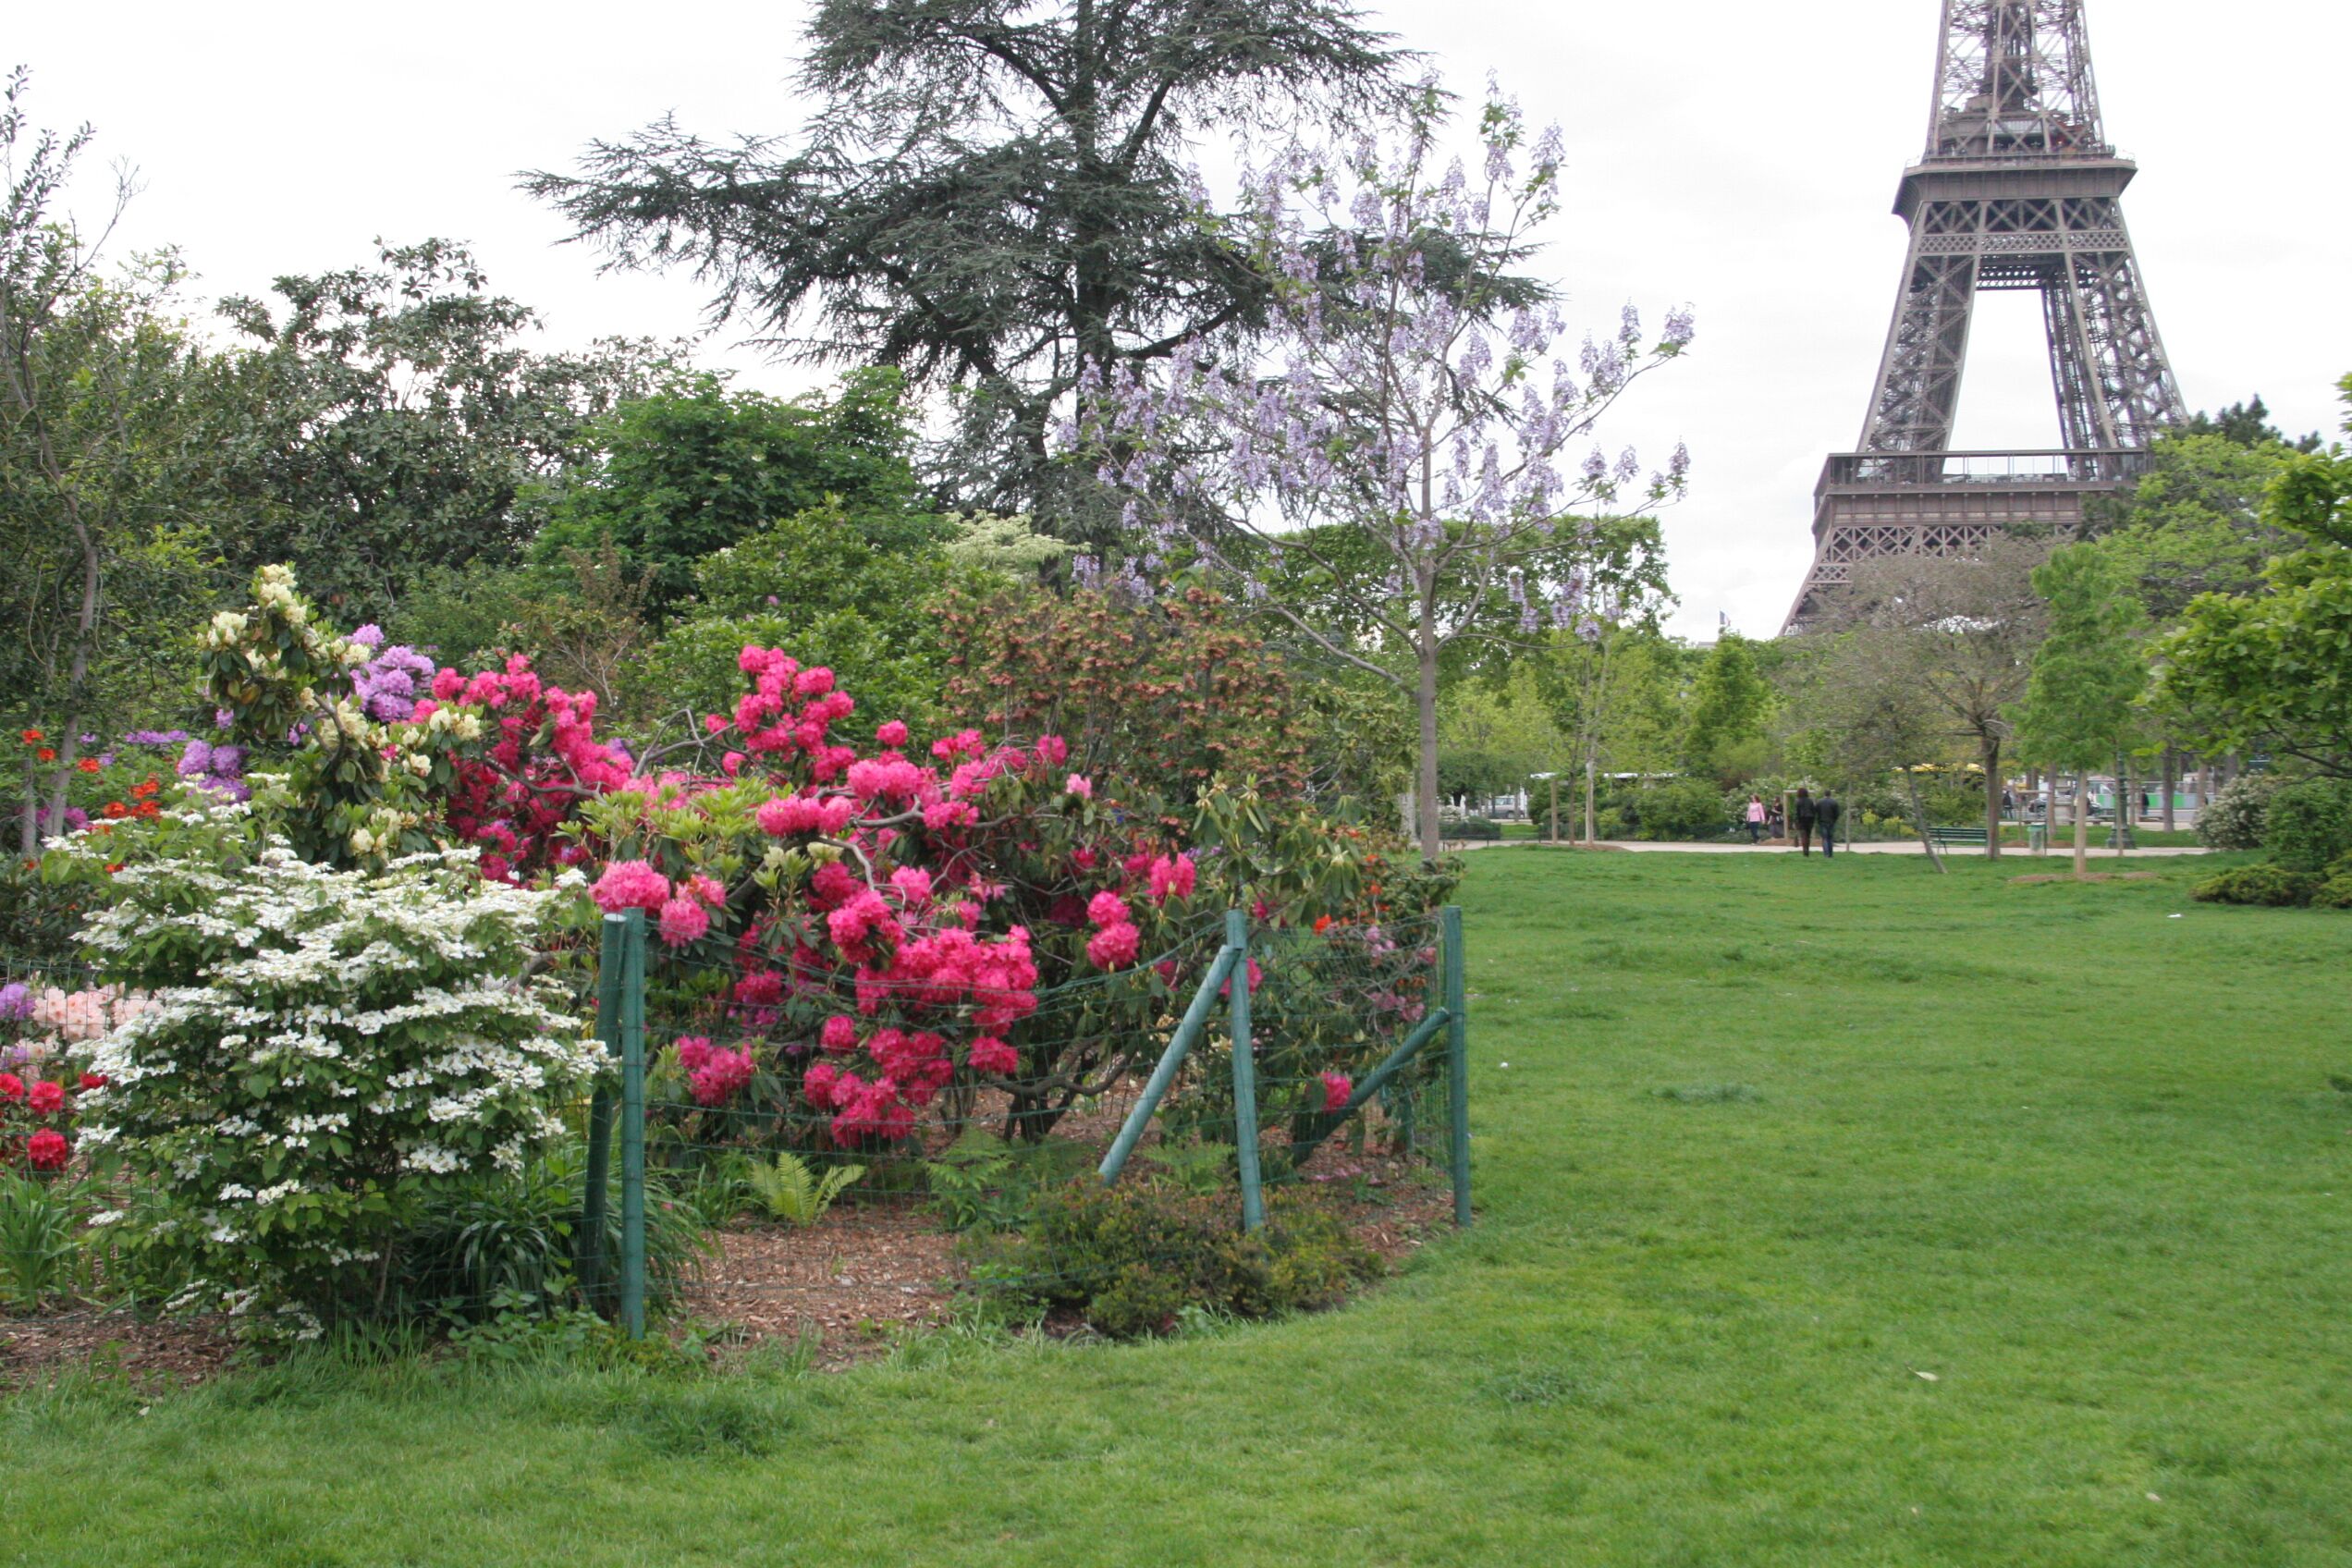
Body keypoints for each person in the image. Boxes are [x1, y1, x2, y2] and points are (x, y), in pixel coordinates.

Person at [1814, 790, 1843, 858]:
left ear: (1824, 794)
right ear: (1830, 794)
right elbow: (1837, 813)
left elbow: (1816, 811)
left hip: (1823, 822)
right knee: (1830, 838)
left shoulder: (1819, 802)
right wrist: (1834, 820)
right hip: (1831, 822)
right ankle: (1830, 854)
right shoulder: (1834, 802)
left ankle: (1826, 854)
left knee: (1825, 838)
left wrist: (1819, 819)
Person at [1793, 786, 1818, 855]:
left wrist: (1795, 821)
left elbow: (1797, 812)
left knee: (1803, 835)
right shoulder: (1810, 801)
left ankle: (1805, 850)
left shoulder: (1798, 801)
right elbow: (1813, 810)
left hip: (1802, 819)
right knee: (1808, 835)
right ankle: (1807, 849)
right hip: (1810, 819)